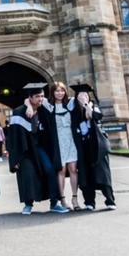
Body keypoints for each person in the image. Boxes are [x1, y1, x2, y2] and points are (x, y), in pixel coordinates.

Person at [6, 82, 69, 215]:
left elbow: (52, 108)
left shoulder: (44, 109)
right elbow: (13, 138)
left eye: (42, 96)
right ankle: (28, 204)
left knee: (50, 170)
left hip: (40, 148)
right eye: (37, 96)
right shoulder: (18, 113)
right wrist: (14, 159)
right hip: (25, 150)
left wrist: (30, 105)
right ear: (30, 98)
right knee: (28, 174)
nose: (40, 99)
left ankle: (54, 203)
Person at [70, 84, 117, 211]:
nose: (83, 97)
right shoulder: (73, 112)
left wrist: (87, 106)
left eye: (85, 95)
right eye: (80, 95)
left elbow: (96, 117)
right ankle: (89, 202)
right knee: (85, 174)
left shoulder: (94, 107)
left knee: (103, 173)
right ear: (76, 97)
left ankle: (110, 200)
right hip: (83, 147)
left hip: (97, 146)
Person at [38, 82, 82, 211]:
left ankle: (75, 198)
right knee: (61, 170)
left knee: (73, 169)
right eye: (57, 91)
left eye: (62, 90)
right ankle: (62, 199)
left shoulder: (71, 103)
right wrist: (29, 106)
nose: (60, 93)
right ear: (52, 92)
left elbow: (84, 98)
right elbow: (30, 99)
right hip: (57, 143)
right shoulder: (48, 105)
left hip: (71, 140)